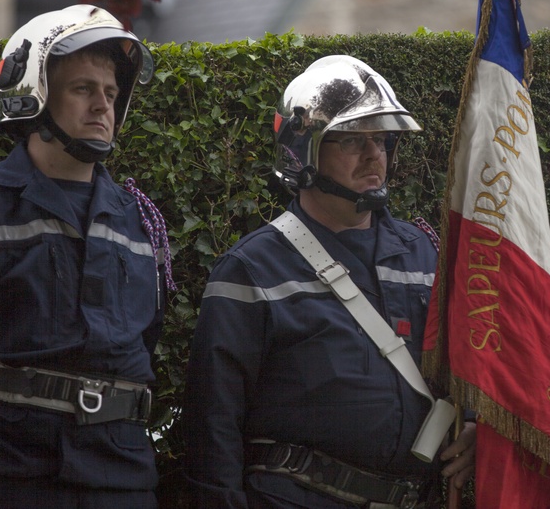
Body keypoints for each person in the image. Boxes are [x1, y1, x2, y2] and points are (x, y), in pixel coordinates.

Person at [184, 55, 476, 508]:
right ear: (304, 152)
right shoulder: (251, 269)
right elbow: (211, 427)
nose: (374, 153)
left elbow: (468, 370)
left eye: (380, 139)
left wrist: (475, 429)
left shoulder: (425, 254)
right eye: (352, 140)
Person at [0, 4, 173, 508]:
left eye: (111, 93)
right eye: (83, 89)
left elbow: (148, 338)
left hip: (122, 479)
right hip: (4, 474)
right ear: (34, 95)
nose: (103, 106)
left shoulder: (140, 223)